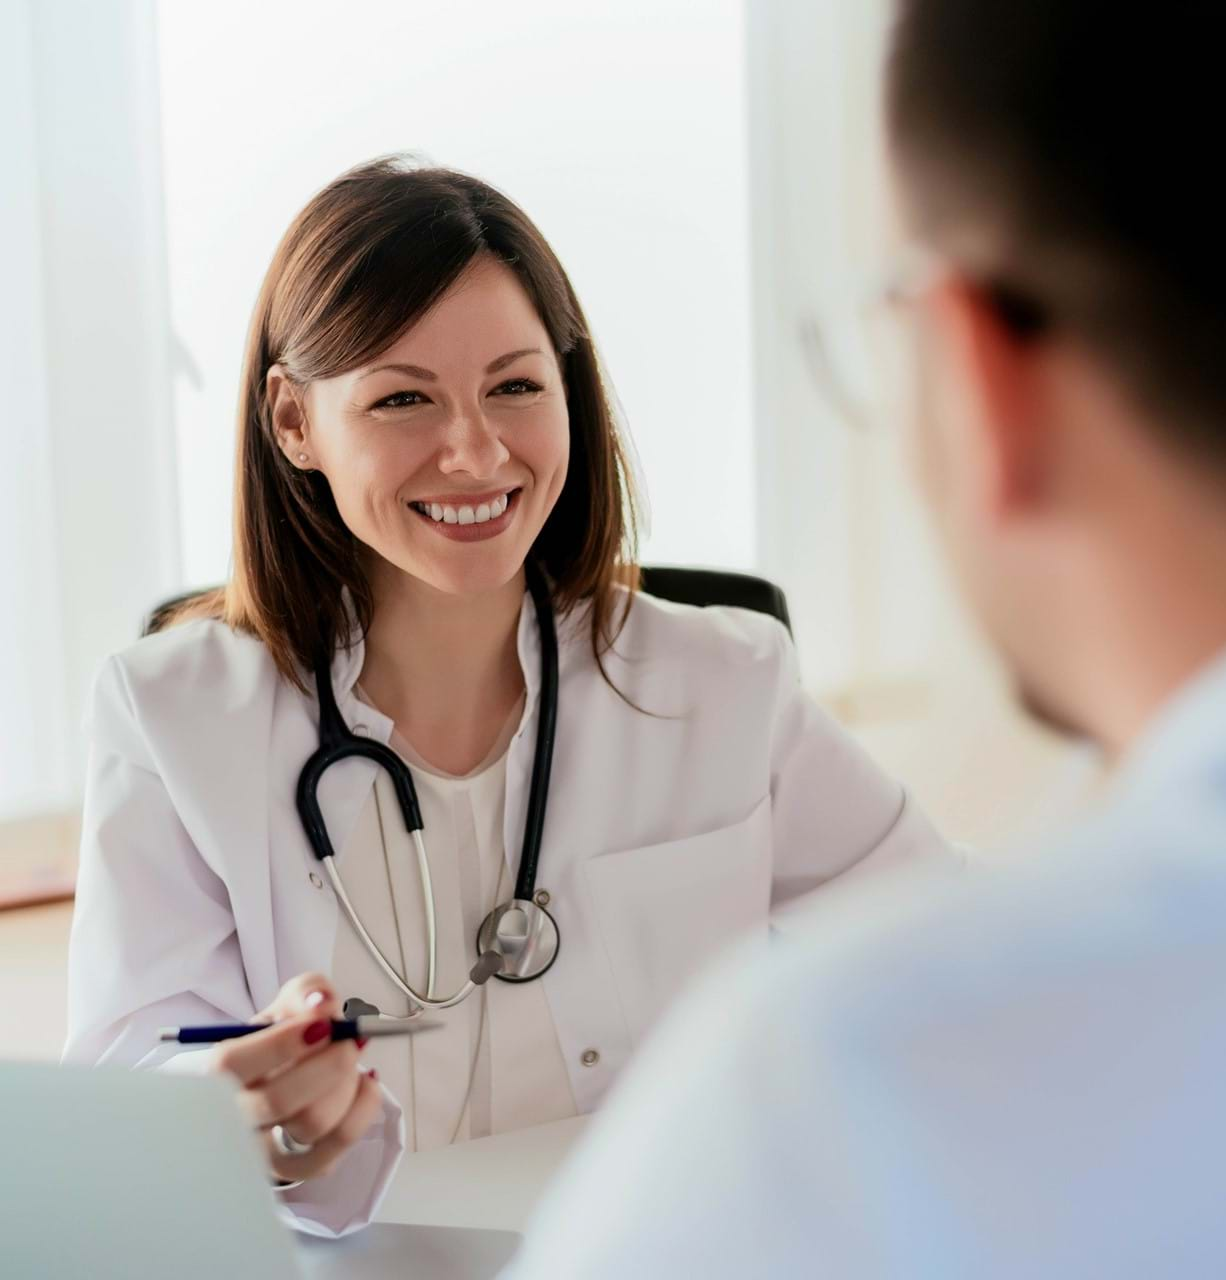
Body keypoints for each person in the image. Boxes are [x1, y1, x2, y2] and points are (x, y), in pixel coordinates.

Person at [503, 2, 1226, 1275]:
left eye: (519, 386)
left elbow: (933, 889)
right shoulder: (179, 703)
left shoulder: (854, 1093)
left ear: (976, 373)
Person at [62, 158, 954, 1237]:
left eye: (515, 385)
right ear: (294, 422)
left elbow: (951, 936)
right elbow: (132, 1072)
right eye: (402, 397)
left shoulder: (724, 685)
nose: (476, 451)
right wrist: (249, 1108)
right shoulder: (172, 718)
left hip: (656, 1247)